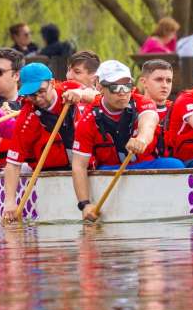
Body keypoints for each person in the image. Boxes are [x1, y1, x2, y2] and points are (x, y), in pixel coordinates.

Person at [72, 60, 184, 221]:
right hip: (110, 172)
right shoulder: (88, 120)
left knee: (175, 165)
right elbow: (79, 166)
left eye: (127, 86)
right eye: (115, 87)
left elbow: (149, 121)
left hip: (144, 166)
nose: (123, 92)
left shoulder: (142, 103)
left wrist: (142, 139)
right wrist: (85, 204)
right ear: (100, 88)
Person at [1, 63, 97, 221]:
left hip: (89, 169)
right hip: (54, 174)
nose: (38, 99)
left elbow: (99, 97)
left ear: (52, 83)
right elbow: (13, 163)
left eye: (41, 91)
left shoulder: (70, 88)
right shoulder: (26, 117)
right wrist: (10, 202)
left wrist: (80, 93)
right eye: (32, 95)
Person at [138, 59, 175, 158]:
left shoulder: (176, 109)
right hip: (139, 166)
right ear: (144, 82)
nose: (165, 85)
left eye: (169, 80)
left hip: (174, 167)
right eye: (159, 79)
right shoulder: (131, 106)